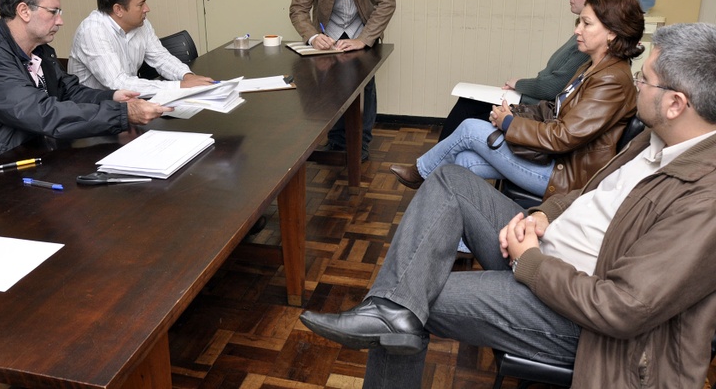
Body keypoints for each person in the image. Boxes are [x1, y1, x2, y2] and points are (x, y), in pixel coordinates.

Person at [300, 22, 716, 388]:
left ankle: (393, 312)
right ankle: (392, 311)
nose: (636, 85)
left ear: (676, 103)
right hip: (543, 252)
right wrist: (543, 215)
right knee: (449, 178)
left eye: (644, 80)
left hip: (580, 319)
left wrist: (531, 262)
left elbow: (623, 309)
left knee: (410, 300)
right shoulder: (657, 138)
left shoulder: (705, 198)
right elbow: (590, 193)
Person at [391, 0, 644, 201]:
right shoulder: (593, 66)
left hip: (565, 176)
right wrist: (514, 112)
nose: (578, 29)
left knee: (469, 128)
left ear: (612, 32)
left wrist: (510, 123)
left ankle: (420, 171)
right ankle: (461, 243)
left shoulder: (611, 80)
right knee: (464, 161)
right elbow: (554, 109)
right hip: (555, 161)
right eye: (580, 22)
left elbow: (564, 136)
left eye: (586, 24)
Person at [0, 0, 171, 178]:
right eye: (53, 12)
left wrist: (112, 97)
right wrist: (122, 114)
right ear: (24, 11)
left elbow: (68, 90)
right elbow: (42, 113)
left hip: (31, 157)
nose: (60, 21)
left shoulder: (40, 50)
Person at [439, 0, 620, 141]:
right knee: (468, 105)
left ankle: (431, 166)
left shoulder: (592, 41)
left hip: (543, 110)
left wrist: (518, 83)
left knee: (468, 107)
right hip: (539, 104)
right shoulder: (582, 34)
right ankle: (436, 165)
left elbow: (552, 87)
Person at [289, 0, 396, 161]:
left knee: (364, 84)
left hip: (362, 27)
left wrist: (364, 39)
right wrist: (313, 36)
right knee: (329, 84)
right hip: (329, 28)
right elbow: (298, 9)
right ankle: (337, 142)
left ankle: (361, 144)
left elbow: (387, 2)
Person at [69, 0, 215, 94]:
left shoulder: (140, 23)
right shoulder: (92, 31)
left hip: (125, 105)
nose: (147, 9)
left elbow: (160, 58)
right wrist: (179, 86)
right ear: (118, 9)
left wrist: (186, 76)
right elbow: (119, 83)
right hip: (94, 114)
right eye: (141, 4)